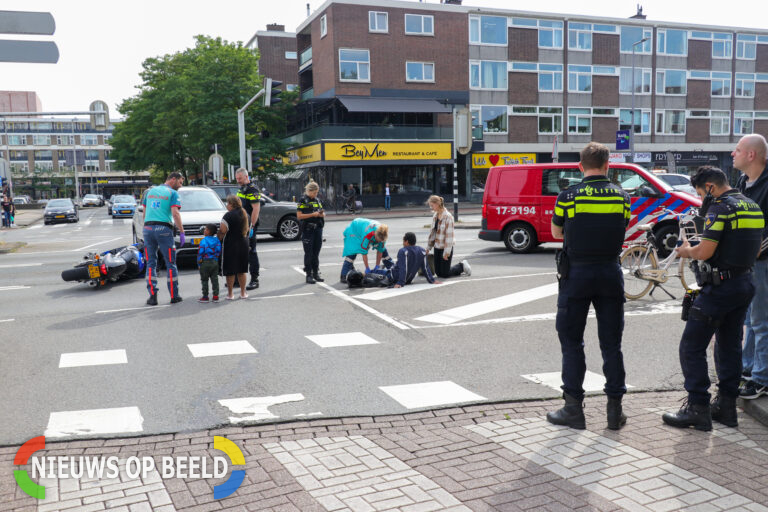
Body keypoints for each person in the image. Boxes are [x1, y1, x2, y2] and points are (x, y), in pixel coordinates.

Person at [662, 166, 764, 431]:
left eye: (699, 193)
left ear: (709, 186)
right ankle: (726, 408)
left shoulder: (720, 208)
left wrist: (687, 250)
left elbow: (705, 251)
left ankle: (698, 407)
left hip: (719, 289)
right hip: (745, 283)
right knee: (729, 345)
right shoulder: (752, 206)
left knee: (691, 346)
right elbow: (752, 249)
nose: (700, 199)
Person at [547, 142, 631, 431]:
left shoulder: (568, 196)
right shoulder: (622, 196)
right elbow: (624, 226)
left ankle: (573, 410)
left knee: (571, 342)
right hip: (610, 272)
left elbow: (556, 231)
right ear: (608, 165)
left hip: (577, 275)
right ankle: (614, 412)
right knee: (612, 344)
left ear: (580, 167)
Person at [733, 134, 768, 401]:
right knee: (748, 319)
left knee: (761, 321)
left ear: (752, 155)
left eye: (737, 150)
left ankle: (761, 379)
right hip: (746, 262)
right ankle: (748, 370)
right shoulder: (744, 181)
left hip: (762, 262)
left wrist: (752, 250)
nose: (733, 153)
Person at [141, 172, 184, 306]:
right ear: (173, 179)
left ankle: (152, 296)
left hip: (148, 229)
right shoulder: (172, 193)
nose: (180, 186)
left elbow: (144, 212)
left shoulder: (149, 191)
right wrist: (182, 232)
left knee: (151, 263)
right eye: (180, 182)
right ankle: (174, 296)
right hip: (164, 230)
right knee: (170, 263)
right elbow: (175, 214)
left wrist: (146, 229)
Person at [426, 195, 471, 278]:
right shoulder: (435, 216)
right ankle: (457, 267)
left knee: (445, 274)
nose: (431, 207)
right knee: (438, 273)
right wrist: (428, 248)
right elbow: (432, 233)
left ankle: (462, 266)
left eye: (432, 205)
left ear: (438, 204)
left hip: (445, 247)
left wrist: (447, 253)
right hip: (437, 247)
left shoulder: (448, 217)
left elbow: (449, 237)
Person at [340, 218, 393, 283]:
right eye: (377, 240)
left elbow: (380, 251)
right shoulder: (368, 235)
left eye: (381, 241)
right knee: (352, 252)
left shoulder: (383, 236)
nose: (378, 242)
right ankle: (343, 275)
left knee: (384, 251)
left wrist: (377, 266)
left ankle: (392, 269)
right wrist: (367, 268)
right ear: (375, 235)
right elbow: (364, 253)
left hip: (364, 229)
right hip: (355, 230)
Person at [235, 168, 261, 290]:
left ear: (246, 177)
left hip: (248, 226)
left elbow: (256, 208)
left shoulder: (252, 189)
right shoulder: (242, 188)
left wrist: (252, 226)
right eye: (237, 178)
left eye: (240, 178)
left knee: (251, 252)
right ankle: (237, 279)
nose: (238, 180)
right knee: (239, 252)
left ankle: (255, 279)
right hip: (240, 224)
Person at [220, 195, 250, 300]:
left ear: (232, 204)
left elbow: (223, 230)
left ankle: (230, 294)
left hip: (231, 244)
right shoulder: (245, 213)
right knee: (242, 270)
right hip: (244, 243)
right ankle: (243, 293)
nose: (226, 205)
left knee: (230, 271)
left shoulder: (228, 216)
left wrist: (218, 237)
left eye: (227, 203)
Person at [297, 181, 325, 284]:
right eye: (314, 193)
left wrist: (321, 214)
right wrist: (313, 214)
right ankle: (308, 275)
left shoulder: (317, 200)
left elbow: (322, 212)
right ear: (309, 191)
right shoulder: (303, 200)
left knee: (316, 253)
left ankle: (316, 273)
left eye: (317, 193)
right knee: (309, 253)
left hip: (318, 229)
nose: (315, 195)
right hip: (308, 230)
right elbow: (299, 216)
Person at [197, 223, 221, 303]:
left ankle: (205, 297)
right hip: (214, 262)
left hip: (205, 262)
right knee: (215, 279)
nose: (204, 230)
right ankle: (215, 296)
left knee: (204, 280)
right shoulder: (217, 240)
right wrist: (216, 259)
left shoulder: (203, 241)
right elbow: (218, 250)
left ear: (208, 231)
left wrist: (199, 264)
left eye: (206, 229)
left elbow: (201, 253)